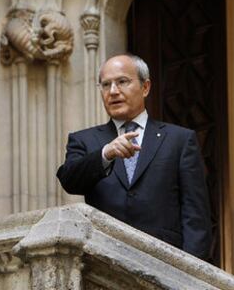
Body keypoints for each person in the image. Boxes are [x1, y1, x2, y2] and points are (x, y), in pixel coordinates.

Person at [57, 54, 211, 260]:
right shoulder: (84, 140)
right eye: (105, 85)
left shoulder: (180, 140)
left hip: (166, 264)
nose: (113, 91)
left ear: (145, 87)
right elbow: (69, 180)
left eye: (122, 82)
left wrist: (192, 273)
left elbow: (196, 217)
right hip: (104, 261)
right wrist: (106, 154)